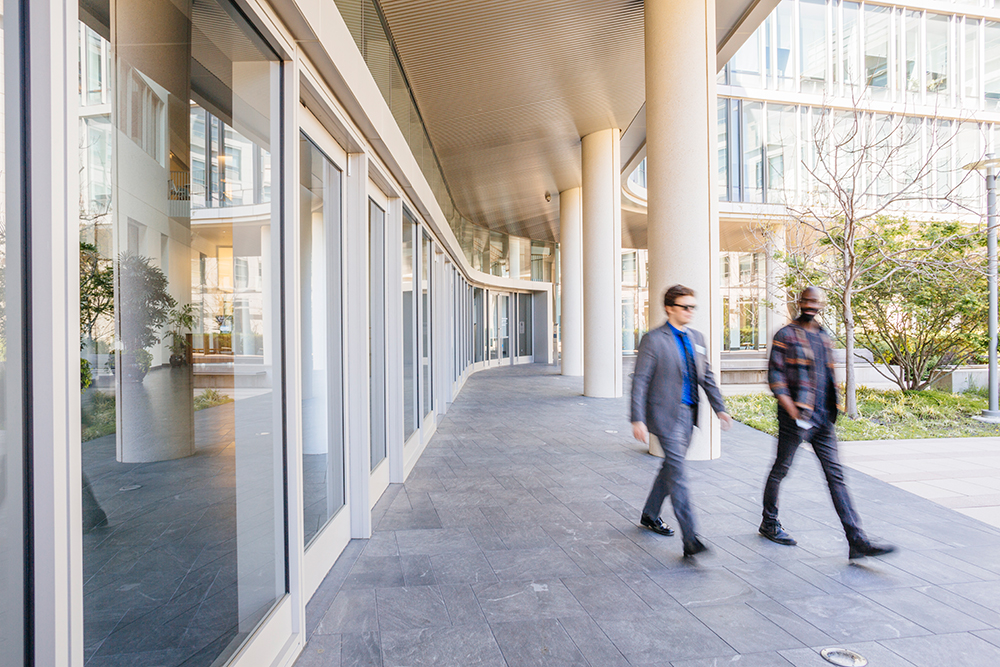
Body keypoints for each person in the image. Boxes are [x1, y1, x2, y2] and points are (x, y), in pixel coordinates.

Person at [761, 286, 895, 559]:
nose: (811, 305)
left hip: (823, 420)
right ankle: (769, 522)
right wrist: (793, 412)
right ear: (800, 302)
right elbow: (775, 378)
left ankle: (857, 540)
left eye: (816, 301)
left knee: (837, 478)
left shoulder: (823, 335)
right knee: (780, 470)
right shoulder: (785, 335)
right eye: (807, 300)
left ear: (822, 304)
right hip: (795, 420)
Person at [631, 285, 733, 557]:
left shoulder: (697, 337)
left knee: (671, 468)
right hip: (665, 415)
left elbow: (707, 376)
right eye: (684, 307)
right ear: (669, 308)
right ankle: (691, 539)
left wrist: (720, 409)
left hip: (689, 415)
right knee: (678, 474)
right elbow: (640, 381)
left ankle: (650, 513)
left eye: (692, 307)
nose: (690, 312)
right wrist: (637, 419)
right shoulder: (653, 340)